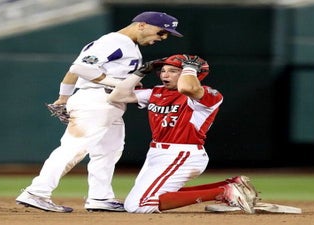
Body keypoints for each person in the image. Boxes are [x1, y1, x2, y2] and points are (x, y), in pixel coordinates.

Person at [16, 11, 183, 213]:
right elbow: (80, 68)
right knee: (73, 149)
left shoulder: (124, 45)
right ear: (141, 25)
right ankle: (37, 192)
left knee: (109, 151)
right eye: (161, 32)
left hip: (108, 102)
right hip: (96, 100)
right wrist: (119, 84)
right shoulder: (115, 41)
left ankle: (100, 197)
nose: (162, 38)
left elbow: (74, 70)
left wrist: (63, 97)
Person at [107, 54, 258, 213]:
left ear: (192, 73)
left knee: (138, 205)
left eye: (173, 71)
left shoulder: (207, 94)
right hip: (156, 153)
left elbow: (187, 88)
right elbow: (117, 96)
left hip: (182, 154)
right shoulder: (156, 92)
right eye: (163, 70)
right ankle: (230, 187)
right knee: (143, 197)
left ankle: (224, 192)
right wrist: (140, 72)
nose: (165, 74)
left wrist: (190, 68)